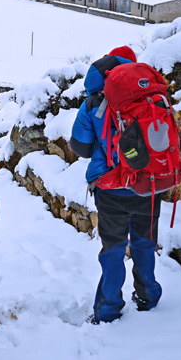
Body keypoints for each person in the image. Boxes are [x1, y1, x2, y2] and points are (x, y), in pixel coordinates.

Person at [68, 45, 163, 324]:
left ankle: (109, 308)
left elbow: (81, 147)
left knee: (114, 248)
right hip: (148, 185)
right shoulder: (151, 96)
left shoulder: (93, 101)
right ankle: (149, 297)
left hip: (111, 188)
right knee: (145, 243)